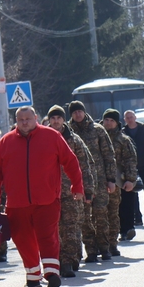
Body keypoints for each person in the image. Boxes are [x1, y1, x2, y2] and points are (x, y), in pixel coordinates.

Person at [0, 106, 84, 287]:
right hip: (17, 203)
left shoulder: (52, 136)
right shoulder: (5, 142)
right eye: (20, 119)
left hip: (47, 200)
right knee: (22, 239)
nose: (24, 122)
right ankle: (33, 276)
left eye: (28, 118)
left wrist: (77, 186)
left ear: (36, 118)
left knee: (48, 237)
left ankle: (51, 273)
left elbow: (70, 161)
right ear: (15, 121)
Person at [47, 106, 95, 277]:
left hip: (71, 192)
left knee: (71, 226)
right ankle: (58, 260)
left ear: (63, 120)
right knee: (53, 229)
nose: (56, 121)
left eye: (59, 118)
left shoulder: (74, 140)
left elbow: (85, 165)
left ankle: (69, 260)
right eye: (53, 118)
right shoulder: (43, 138)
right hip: (49, 192)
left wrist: (87, 189)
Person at [69, 101, 117, 262]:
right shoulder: (69, 133)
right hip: (80, 181)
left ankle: (105, 247)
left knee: (101, 214)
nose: (77, 114)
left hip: (100, 179)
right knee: (84, 218)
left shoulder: (98, 130)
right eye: (74, 112)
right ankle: (91, 250)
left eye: (80, 111)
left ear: (84, 112)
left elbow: (109, 156)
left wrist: (111, 179)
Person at [101, 109, 138, 251]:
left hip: (120, 180)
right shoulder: (98, 136)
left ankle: (125, 230)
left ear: (117, 123)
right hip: (101, 180)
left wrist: (130, 179)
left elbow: (130, 160)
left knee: (122, 207)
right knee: (103, 212)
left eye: (112, 121)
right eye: (106, 120)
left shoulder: (123, 140)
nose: (108, 123)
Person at [122, 110, 144, 225]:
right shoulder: (123, 132)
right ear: (125, 119)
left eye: (131, 117)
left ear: (135, 117)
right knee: (133, 192)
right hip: (130, 168)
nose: (130, 119)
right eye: (127, 117)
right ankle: (137, 216)